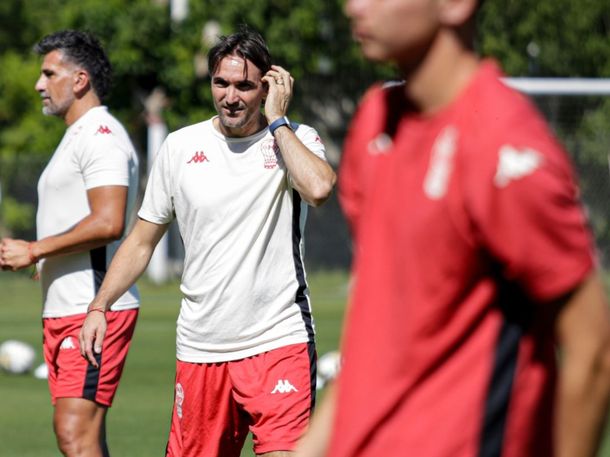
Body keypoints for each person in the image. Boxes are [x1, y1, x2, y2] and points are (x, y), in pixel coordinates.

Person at [296, 1, 610, 456]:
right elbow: (375, 342)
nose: (354, 5)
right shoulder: (374, 123)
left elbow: (593, 352)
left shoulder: (504, 147)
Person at [79, 25, 336, 457]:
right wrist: (100, 305)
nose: (230, 96)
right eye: (221, 83)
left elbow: (319, 188)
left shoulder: (296, 138)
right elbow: (142, 240)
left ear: (268, 86)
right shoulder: (181, 147)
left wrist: (277, 121)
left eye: (244, 86)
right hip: (201, 348)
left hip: (278, 340)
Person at [0, 30, 140, 456]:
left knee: (74, 435)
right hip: (65, 308)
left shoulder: (101, 134)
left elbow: (109, 220)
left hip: (93, 309)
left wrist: (36, 249)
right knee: (83, 438)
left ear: (80, 80)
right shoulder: (77, 134)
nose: (39, 85)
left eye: (49, 74)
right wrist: (44, 259)